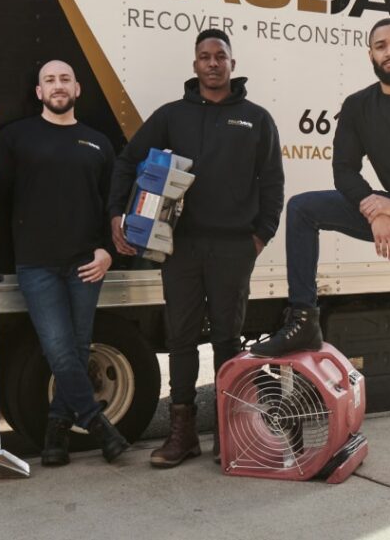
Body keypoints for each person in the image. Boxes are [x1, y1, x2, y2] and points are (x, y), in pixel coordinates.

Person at [251, 17, 390, 477]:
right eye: (380, 45)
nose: (389, 51)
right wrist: (377, 212)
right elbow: (345, 171)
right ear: (369, 53)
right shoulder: (358, 105)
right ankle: (303, 319)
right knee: (303, 209)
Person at [108, 29, 284, 469]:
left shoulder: (256, 118)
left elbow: (273, 183)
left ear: (232, 63)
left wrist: (259, 236)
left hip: (233, 247)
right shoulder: (171, 115)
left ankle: (230, 433)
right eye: (204, 57)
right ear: (194, 65)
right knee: (181, 338)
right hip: (180, 247)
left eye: (219, 56)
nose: (212, 63)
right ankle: (182, 435)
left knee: (228, 339)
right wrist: (118, 214)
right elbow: (128, 160)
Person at [0, 60, 129, 467]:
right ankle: (98, 425)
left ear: (78, 89)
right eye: (49, 81)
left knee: (74, 351)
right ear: (38, 92)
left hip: (86, 265)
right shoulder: (17, 136)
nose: (58, 86)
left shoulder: (98, 143)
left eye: (65, 80)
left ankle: (55, 438)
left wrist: (109, 250)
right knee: (59, 352)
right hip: (37, 266)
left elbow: (114, 207)